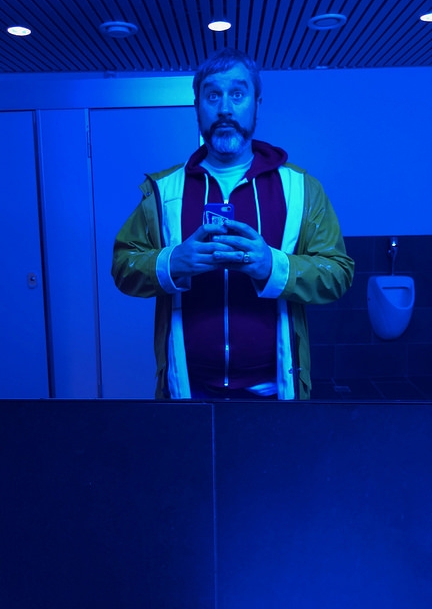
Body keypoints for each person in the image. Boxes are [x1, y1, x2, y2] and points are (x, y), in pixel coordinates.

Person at [112, 48, 354, 401]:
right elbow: (123, 266)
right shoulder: (162, 192)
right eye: (213, 95)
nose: (225, 108)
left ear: (257, 103)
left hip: (274, 392)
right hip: (186, 390)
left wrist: (272, 265)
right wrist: (172, 262)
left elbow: (338, 273)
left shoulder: (302, 189)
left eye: (237, 94)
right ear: (197, 107)